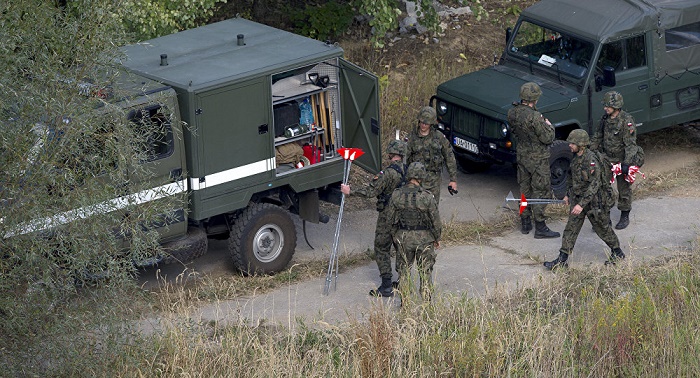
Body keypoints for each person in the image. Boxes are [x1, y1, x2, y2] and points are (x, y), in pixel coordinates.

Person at [544, 129, 625, 269]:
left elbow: (595, 185)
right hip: (578, 200)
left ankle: (617, 252)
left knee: (602, 228)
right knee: (571, 228)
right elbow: (570, 175)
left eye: (572, 143)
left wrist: (581, 205)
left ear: (581, 144)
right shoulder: (575, 157)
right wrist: (567, 194)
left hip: (594, 202)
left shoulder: (591, 160)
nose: (569, 145)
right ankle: (562, 260)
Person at [340, 139, 407, 297]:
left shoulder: (388, 173)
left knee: (381, 248)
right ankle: (404, 282)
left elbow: (371, 191)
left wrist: (350, 191)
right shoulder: (408, 170)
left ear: (391, 154)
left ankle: (386, 286)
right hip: (404, 214)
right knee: (401, 249)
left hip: (387, 215)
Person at [507, 82, 560, 239]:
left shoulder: (512, 112)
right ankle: (540, 226)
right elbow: (548, 138)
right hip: (537, 158)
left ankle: (525, 222)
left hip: (522, 155)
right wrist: (549, 126)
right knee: (540, 191)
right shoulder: (535, 117)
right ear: (535, 99)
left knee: (524, 190)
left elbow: (515, 132)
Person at [385, 162, 441, 301]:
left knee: (404, 273)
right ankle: (426, 305)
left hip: (403, 238)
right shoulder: (427, 196)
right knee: (425, 273)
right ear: (422, 176)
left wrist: (395, 236)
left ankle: (405, 305)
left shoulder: (397, 195)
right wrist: (437, 238)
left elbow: (389, 220)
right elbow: (435, 221)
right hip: (425, 240)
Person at [590, 91, 639, 230]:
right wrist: (590, 152)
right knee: (603, 188)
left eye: (608, 106)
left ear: (616, 106)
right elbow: (598, 136)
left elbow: (630, 144)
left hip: (622, 160)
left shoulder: (626, 121)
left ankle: (624, 215)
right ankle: (605, 218)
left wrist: (627, 163)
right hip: (606, 159)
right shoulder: (605, 119)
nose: (605, 108)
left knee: (623, 189)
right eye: (605, 105)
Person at [406, 106, 458, 205]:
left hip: (433, 180)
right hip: (415, 180)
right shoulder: (411, 138)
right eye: (422, 122)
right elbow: (405, 158)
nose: (423, 125)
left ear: (431, 124)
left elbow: (449, 157)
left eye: (426, 123)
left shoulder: (439, 138)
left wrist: (453, 179)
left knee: (432, 209)